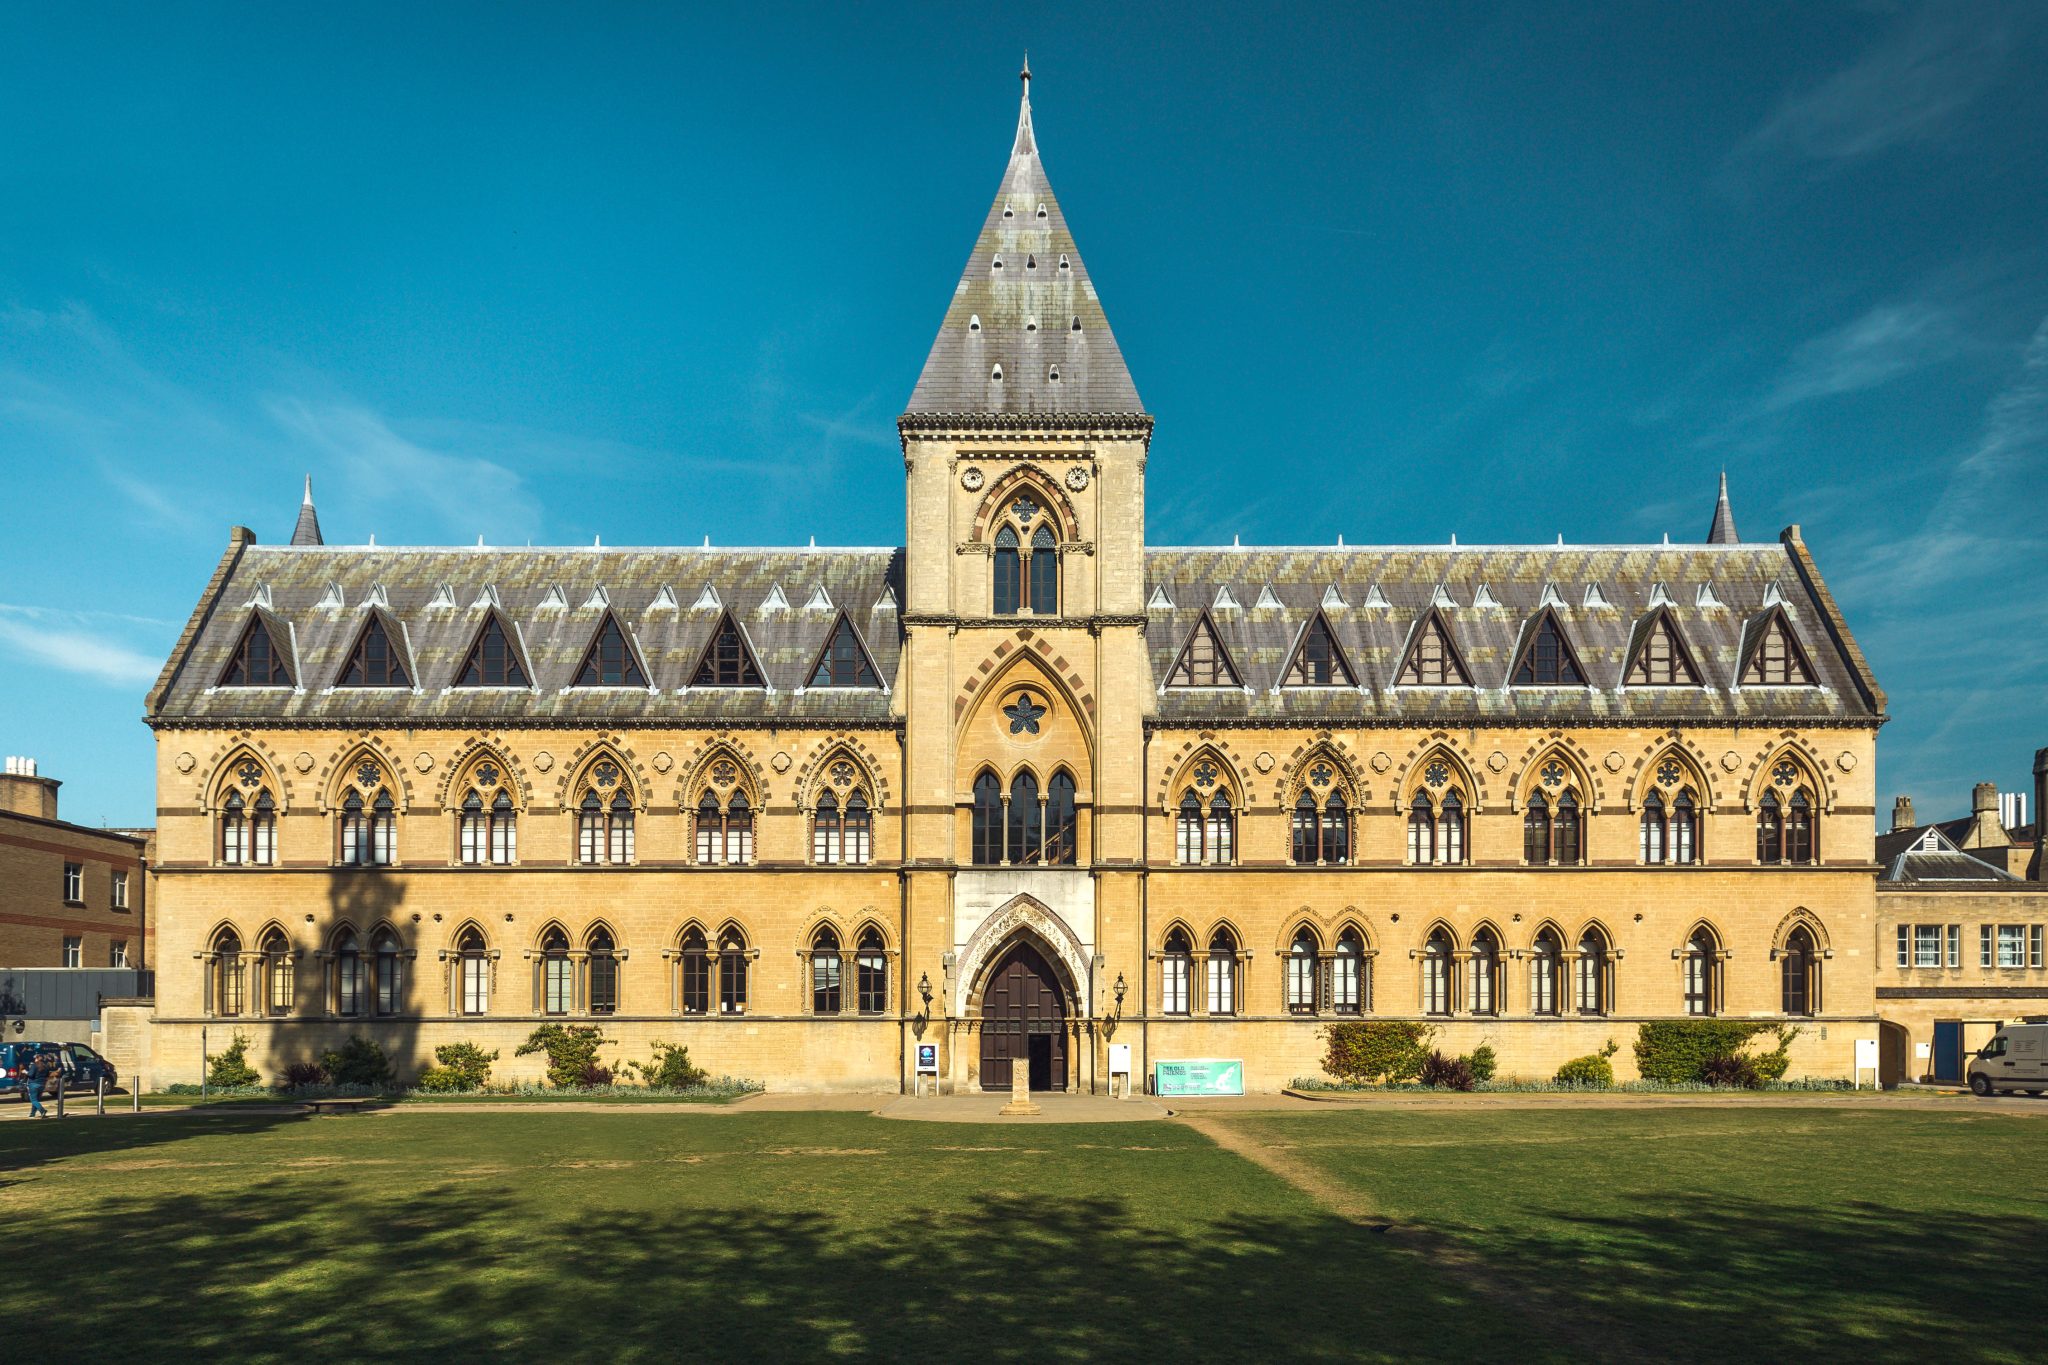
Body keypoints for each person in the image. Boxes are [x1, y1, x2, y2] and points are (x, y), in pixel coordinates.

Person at [23, 1048, 56, 1118]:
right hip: (42, 1085)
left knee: (34, 1100)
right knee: (36, 1100)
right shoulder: (46, 1066)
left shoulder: (34, 1065)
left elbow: (31, 1075)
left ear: (37, 1059)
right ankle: (32, 1114)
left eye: (35, 1058)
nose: (34, 1059)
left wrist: (25, 1072)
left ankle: (42, 1110)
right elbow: (47, 1075)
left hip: (33, 1084)